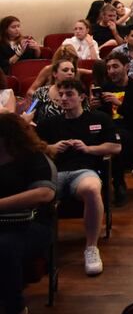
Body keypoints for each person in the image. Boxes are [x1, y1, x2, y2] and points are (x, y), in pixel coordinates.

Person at [37, 78, 121, 275]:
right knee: (35, 193)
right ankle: (42, 248)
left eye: (69, 94)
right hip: (54, 173)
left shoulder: (98, 119)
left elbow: (115, 147)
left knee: (91, 189)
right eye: (61, 95)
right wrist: (51, 148)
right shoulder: (48, 123)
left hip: (83, 171)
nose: (64, 99)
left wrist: (88, 148)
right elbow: (33, 149)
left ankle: (91, 247)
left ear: (82, 97)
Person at [0, 113, 57, 313]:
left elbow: (44, 193)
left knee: (4, 247)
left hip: (31, 224)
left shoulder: (35, 158)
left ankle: (15, 307)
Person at [96, 51, 133, 204]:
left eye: (115, 66)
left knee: (118, 139)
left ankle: (118, 183)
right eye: (108, 68)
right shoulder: (104, 88)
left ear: (126, 67)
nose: (111, 71)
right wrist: (94, 107)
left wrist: (120, 104)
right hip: (109, 131)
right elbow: (101, 118)